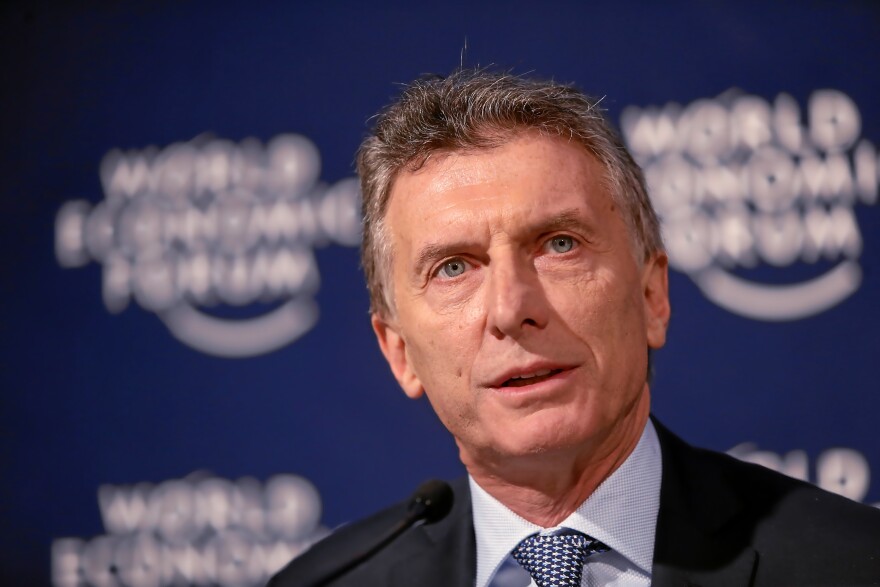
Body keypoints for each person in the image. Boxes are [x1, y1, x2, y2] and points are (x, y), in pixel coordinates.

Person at [269, 69, 880, 587]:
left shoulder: (850, 564)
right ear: (398, 351)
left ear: (651, 295)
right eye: (453, 267)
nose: (512, 309)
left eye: (559, 244)